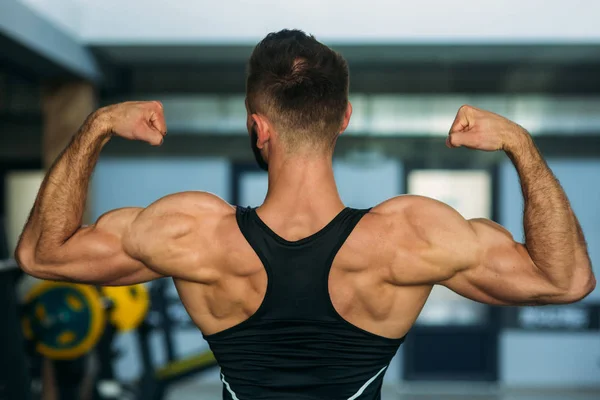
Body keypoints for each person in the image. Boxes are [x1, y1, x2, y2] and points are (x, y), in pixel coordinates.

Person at [16, 30, 595, 400]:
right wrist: (520, 142)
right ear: (342, 117)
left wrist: (95, 127)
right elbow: (564, 279)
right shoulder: (410, 236)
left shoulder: (189, 233)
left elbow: (41, 253)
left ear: (258, 127)